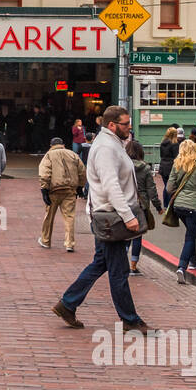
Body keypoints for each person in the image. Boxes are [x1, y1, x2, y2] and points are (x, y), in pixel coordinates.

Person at [51, 105, 151, 334]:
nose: (130, 127)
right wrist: (128, 216)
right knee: (118, 271)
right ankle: (130, 320)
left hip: (107, 215)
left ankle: (68, 304)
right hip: (111, 217)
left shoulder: (113, 144)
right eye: (126, 123)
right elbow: (110, 184)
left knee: (101, 263)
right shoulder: (107, 147)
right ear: (112, 125)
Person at [166, 139, 196, 284]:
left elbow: (169, 188)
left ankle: (194, 261)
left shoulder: (177, 164)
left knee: (190, 232)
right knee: (190, 236)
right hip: (195, 205)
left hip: (179, 205)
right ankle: (182, 266)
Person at [38, 137, 86, 252]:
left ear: (51, 145)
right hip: (70, 190)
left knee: (49, 216)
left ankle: (45, 240)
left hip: (53, 190)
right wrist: (80, 186)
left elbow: (45, 173)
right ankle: (69, 243)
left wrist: (44, 189)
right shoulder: (73, 154)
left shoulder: (48, 155)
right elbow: (82, 171)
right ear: (63, 144)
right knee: (69, 217)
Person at [126, 140, 160, 274]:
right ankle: (133, 266)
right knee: (137, 236)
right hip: (141, 205)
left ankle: (122, 262)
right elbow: (151, 189)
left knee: (125, 235)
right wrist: (158, 206)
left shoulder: (122, 166)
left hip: (125, 203)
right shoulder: (145, 168)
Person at [158, 127, 180, 209]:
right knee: (171, 186)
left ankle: (165, 204)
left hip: (163, 166)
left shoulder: (162, 143)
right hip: (171, 166)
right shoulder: (175, 144)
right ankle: (170, 204)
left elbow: (161, 155)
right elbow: (176, 156)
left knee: (166, 185)